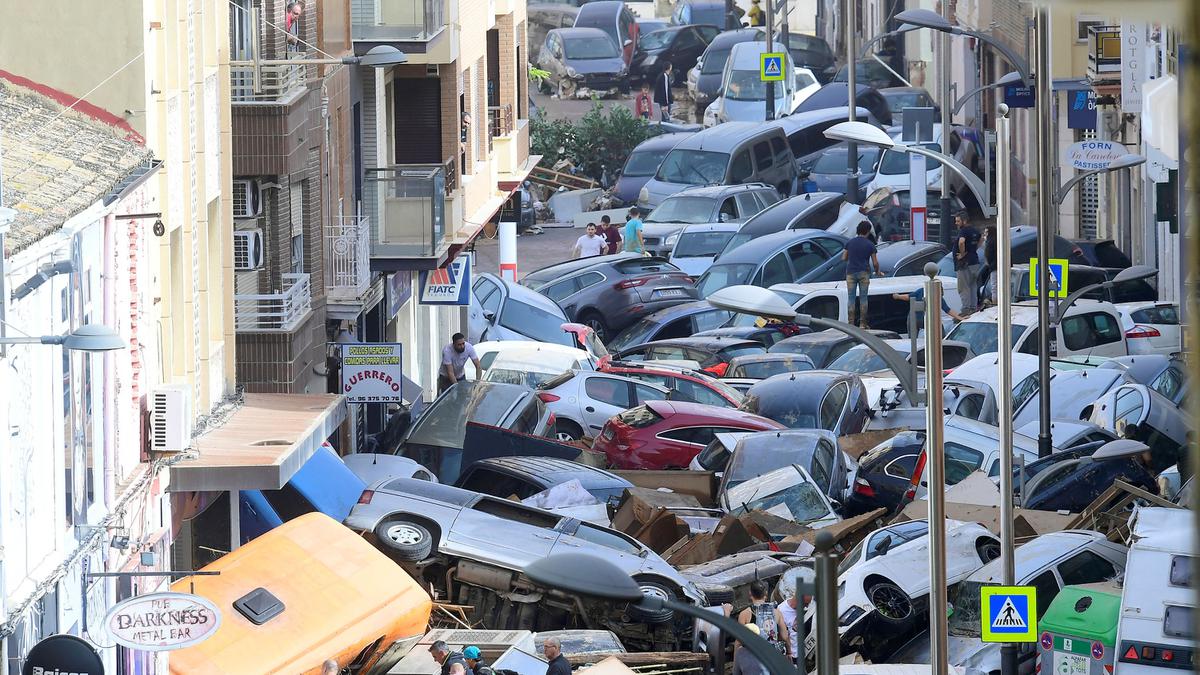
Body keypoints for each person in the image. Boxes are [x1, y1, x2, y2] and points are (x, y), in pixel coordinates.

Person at [842, 221, 882, 328]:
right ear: (868, 231)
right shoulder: (870, 245)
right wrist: (878, 271)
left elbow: (843, 258)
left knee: (851, 298)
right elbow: (875, 263)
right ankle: (862, 323)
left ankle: (851, 323)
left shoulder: (850, 242)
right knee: (863, 298)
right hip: (864, 273)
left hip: (850, 273)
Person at [737, 581, 787, 656]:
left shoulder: (744, 614)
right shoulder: (776, 613)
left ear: (750, 594)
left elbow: (739, 641)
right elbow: (784, 637)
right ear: (766, 594)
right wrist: (789, 652)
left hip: (754, 656)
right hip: (772, 656)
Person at [892, 286, 964, 336]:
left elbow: (909, 296)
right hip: (919, 318)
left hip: (916, 318)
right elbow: (947, 310)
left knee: (913, 339)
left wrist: (898, 296)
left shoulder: (922, 291)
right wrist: (959, 317)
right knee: (939, 330)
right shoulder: (936, 295)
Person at [777, 567, 814, 664]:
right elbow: (781, 637)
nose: (807, 606)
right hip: (792, 657)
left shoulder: (804, 610)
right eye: (805, 604)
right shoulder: (781, 611)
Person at [954, 210, 981, 314]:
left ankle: (966, 309)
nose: (956, 223)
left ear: (964, 221)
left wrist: (963, 253)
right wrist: (972, 250)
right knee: (972, 286)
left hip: (964, 264)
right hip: (975, 262)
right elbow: (981, 239)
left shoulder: (963, 231)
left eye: (958, 221)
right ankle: (973, 308)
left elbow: (961, 242)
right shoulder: (974, 230)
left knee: (963, 287)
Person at [982, 225, 998, 307]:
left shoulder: (990, 242)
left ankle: (995, 305)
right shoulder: (999, 240)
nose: (985, 234)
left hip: (994, 267)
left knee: (994, 287)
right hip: (1003, 267)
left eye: (986, 232)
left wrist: (988, 263)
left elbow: (987, 255)